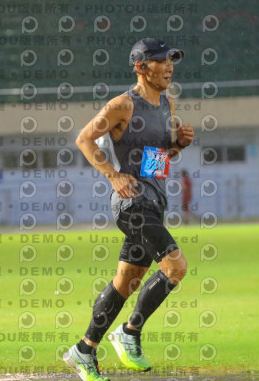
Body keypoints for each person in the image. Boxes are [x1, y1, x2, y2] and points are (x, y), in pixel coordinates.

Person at [64, 38, 194, 381]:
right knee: (176, 267)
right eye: (161, 60)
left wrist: (178, 145)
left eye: (171, 60)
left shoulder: (167, 103)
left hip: (154, 201)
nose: (169, 66)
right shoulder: (122, 105)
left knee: (127, 281)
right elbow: (84, 139)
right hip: (132, 203)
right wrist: (114, 175)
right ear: (141, 66)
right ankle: (130, 331)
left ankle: (83, 350)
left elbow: (158, 157)